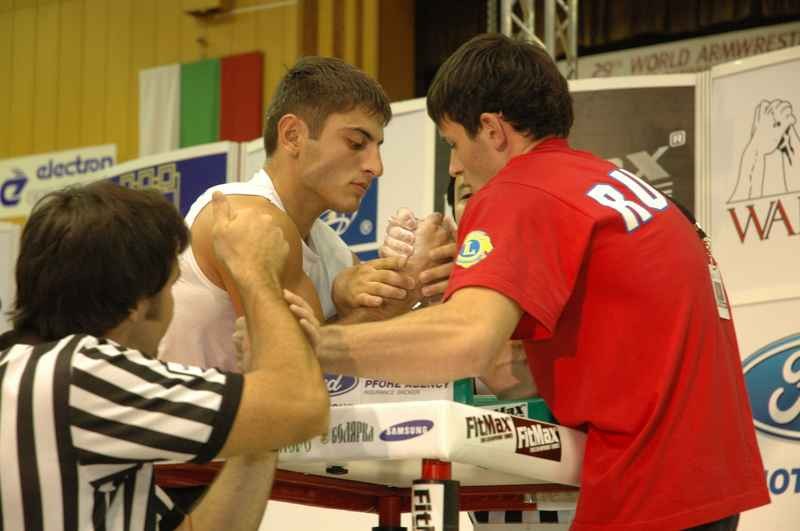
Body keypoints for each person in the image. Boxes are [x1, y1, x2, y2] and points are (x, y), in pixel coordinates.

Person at [286, 34, 769, 530]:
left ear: (493, 130)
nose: (453, 167)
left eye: (453, 144)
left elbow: (468, 343)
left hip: (646, 490)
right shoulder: (616, 186)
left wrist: (316, 344)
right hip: (707, 486)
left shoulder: (520, 189)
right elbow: (513, 367)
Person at [0, 181, 329, 530]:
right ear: (136, 305)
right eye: (173, 287)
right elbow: (302, 407)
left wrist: (262, 437)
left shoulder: (22, 371)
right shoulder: (81, 375)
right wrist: (257, 273)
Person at [160, 56, 449, 373]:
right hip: (179, 420)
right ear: (292, 135)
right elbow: (295, 368)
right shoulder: (243, 214)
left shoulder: (333, 249)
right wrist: (402, 291)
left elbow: (361, 350)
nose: (376, 167)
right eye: (356, 143)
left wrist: (422, 280)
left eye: (377, 147)